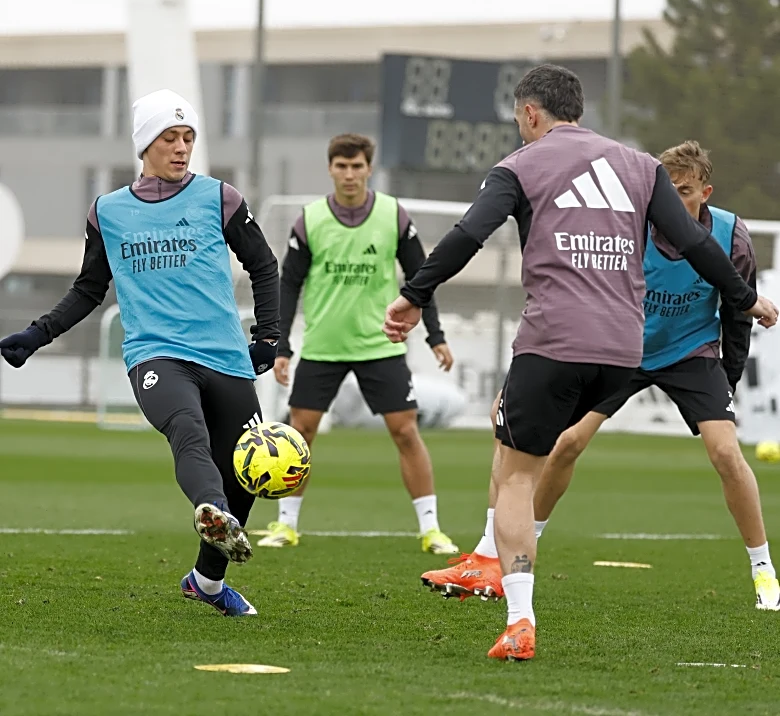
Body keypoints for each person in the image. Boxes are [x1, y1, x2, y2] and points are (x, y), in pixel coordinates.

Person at [383, 65, 778, 661]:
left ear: (531, 113)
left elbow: (469, 234)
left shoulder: (520, 165)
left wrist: (415, 294)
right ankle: (486, 556)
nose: (519, 129)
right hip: (621, 351)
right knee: (533, 435)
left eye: (519, 119)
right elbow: (696, 244)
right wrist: (747, 298)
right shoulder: (640, 167)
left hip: (557, 342)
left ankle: (515, 608)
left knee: (515, 470)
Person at [0, 89, 280, 617]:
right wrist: (37, 334)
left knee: (245, 471)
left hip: (225, 356)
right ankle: (213, 510)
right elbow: (89, 289)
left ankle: (207, 582)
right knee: (188, 430)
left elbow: (264, 266)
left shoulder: (220, 198)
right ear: (145, 144)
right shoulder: (107, 211)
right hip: (156, 356)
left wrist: (268, 336)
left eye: (188, 137)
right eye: (170, 137)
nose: (181, 147)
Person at [258, 133, 458, 554]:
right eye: (341, 166)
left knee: (406, 432)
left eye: (357, 166)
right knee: (300, 434)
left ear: (369, 169)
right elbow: (289, 284)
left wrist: (435, 335)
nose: (349, 174)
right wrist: (282, 346)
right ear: (331, 169)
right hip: (323, 347)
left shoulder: (393, 216)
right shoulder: (310, 220)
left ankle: (431, 529)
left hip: (380, 346)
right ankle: (285, 525)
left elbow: (420, 279)